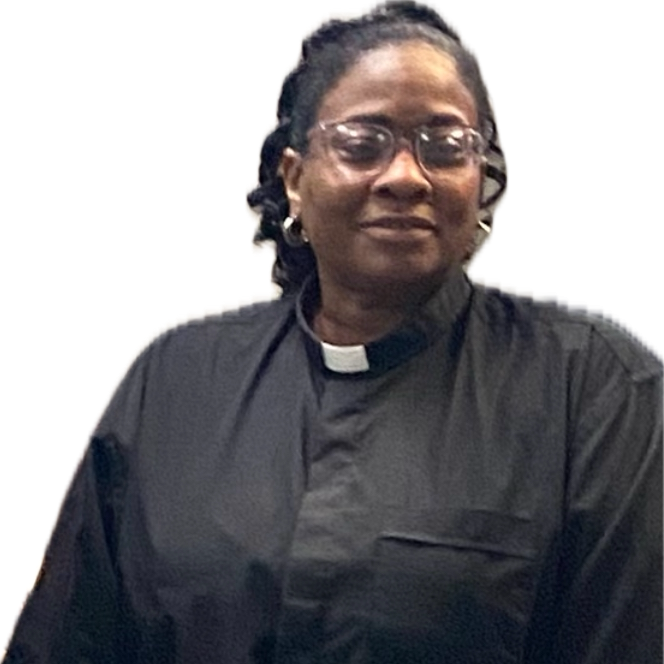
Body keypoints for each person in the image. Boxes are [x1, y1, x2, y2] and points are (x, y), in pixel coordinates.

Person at [4, 0, 663, 662]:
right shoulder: (177, 377)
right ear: (295, 179)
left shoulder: (595, 387)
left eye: (444, 146)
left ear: (479, 178)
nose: (405, 177)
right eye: (362, 143)